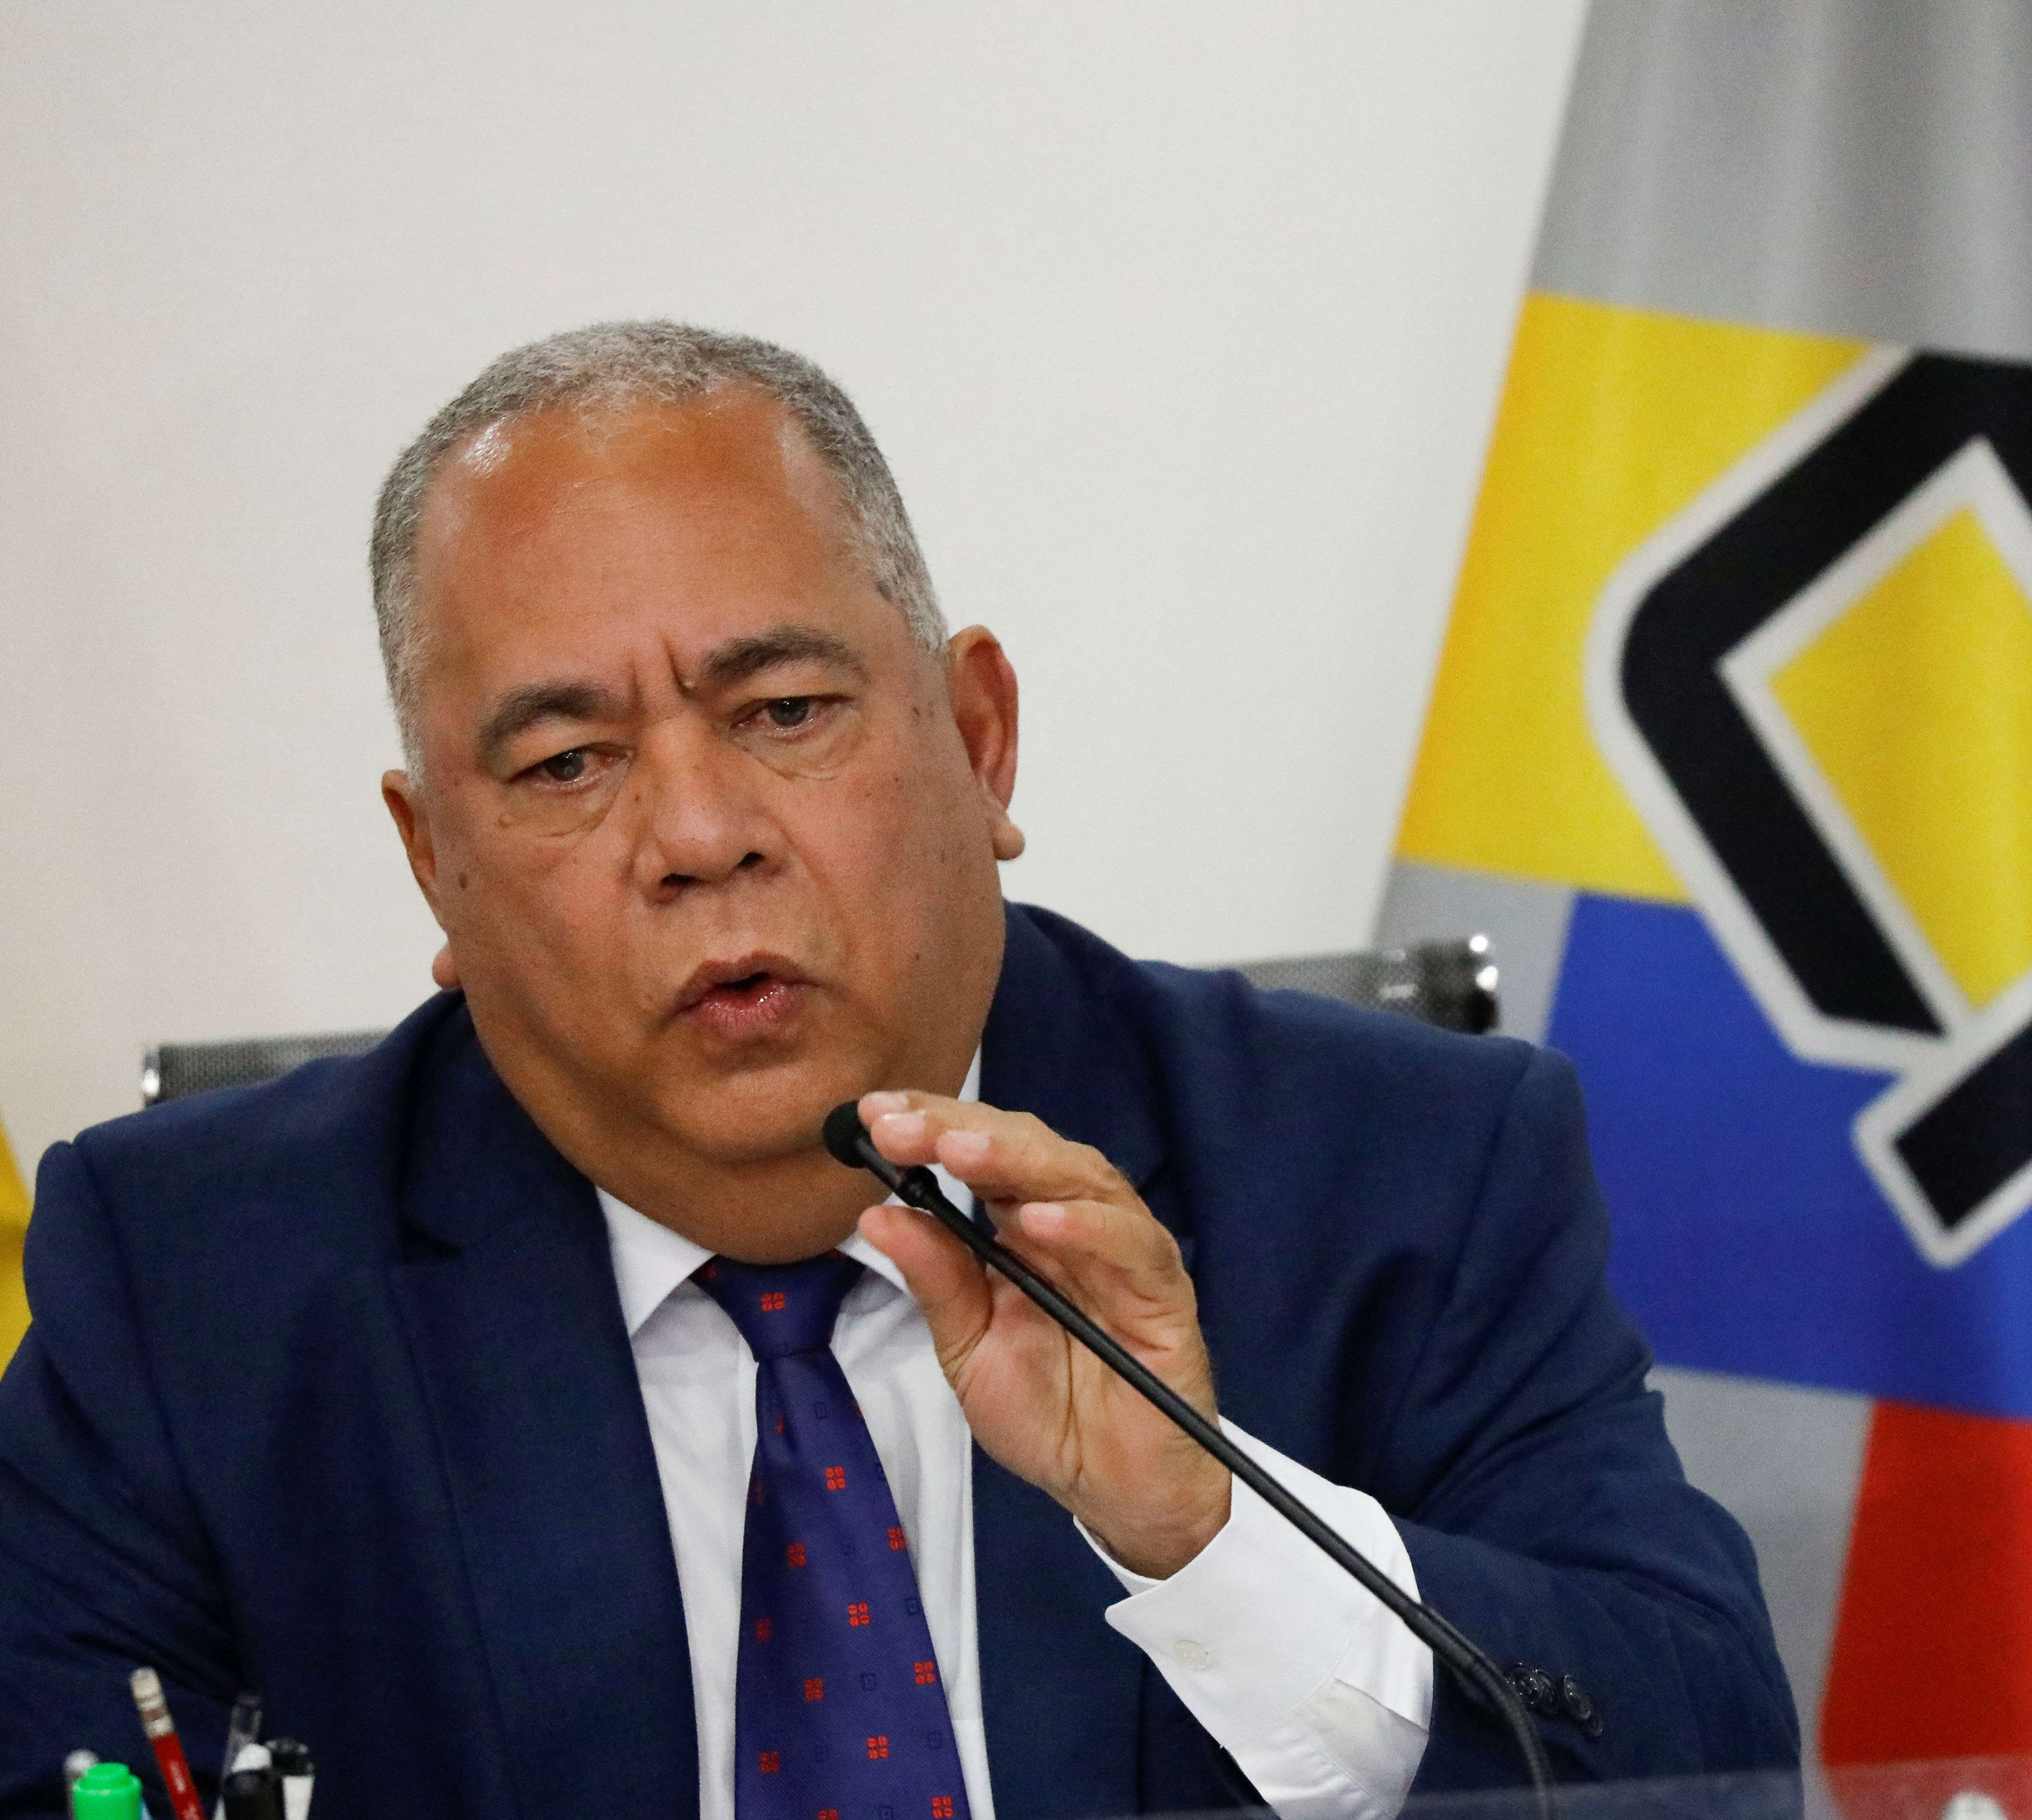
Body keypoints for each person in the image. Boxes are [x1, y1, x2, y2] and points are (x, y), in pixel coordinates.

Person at [0, 324, 1797, 1820]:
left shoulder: (1405, 1169)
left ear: (978, 736)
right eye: (564, 761)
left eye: (784, 714)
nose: (698, 834)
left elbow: (1710, 1764)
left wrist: (1213, 1529)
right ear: (433, 870)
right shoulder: (191, 1286)